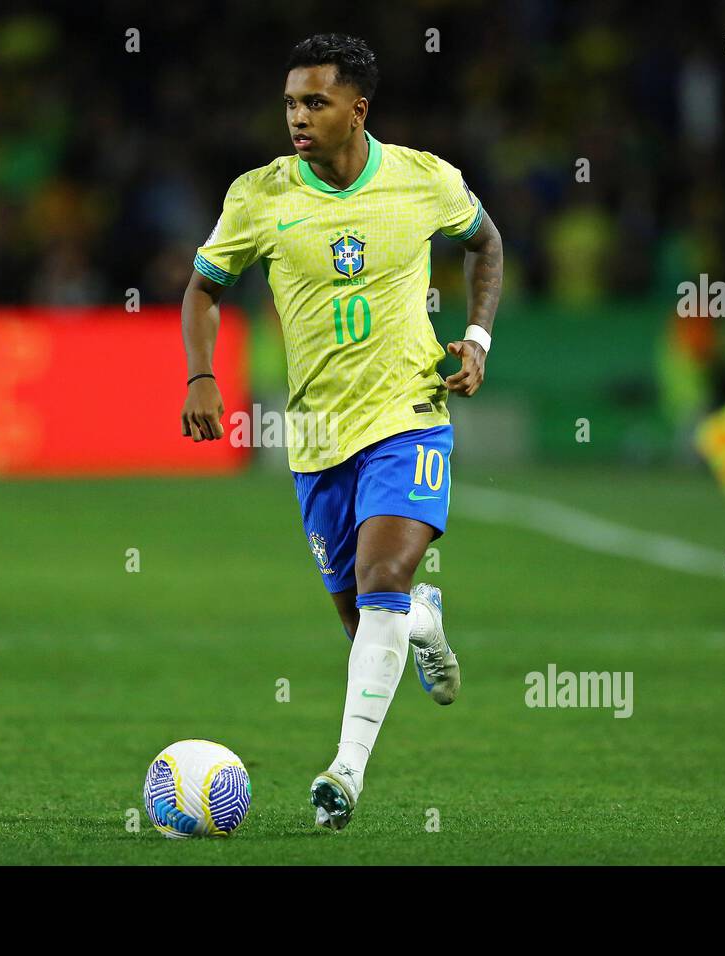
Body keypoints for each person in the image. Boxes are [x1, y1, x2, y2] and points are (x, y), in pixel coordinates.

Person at [179, 33, 503, 830]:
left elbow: (485, 243)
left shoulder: (425, 180)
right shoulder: (260, 196)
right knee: (369, 619)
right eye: (291, 101)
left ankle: (344, 777)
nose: (298, 116)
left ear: (357, 110)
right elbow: (202, 289)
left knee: (382, 573)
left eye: (316, 102)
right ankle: (423, 617)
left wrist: (478, 338)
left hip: (409, 416)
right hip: (318, 437)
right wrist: (201, 374)